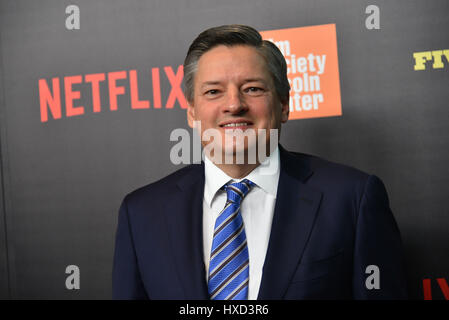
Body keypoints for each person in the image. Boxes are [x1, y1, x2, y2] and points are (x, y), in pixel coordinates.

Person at [112, 24, 408, 300]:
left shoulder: (352, 199)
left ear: (284, 105)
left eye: (252, 88)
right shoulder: (141, 214)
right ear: (192, 112)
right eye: (213, 91)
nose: (234, 105)